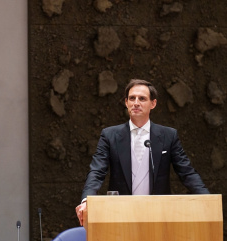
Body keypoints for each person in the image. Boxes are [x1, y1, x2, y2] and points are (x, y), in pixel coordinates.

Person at [76, 79, 209, 226]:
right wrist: (86, 200)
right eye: (132, 98)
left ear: (153, 104)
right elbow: (97, 171)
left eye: (142, 98)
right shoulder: (110, 135)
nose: (136, 103)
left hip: (158, 214)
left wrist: (207, 199)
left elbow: (187, 172)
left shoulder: (168, 136)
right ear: (126, 102)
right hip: (120, 214)